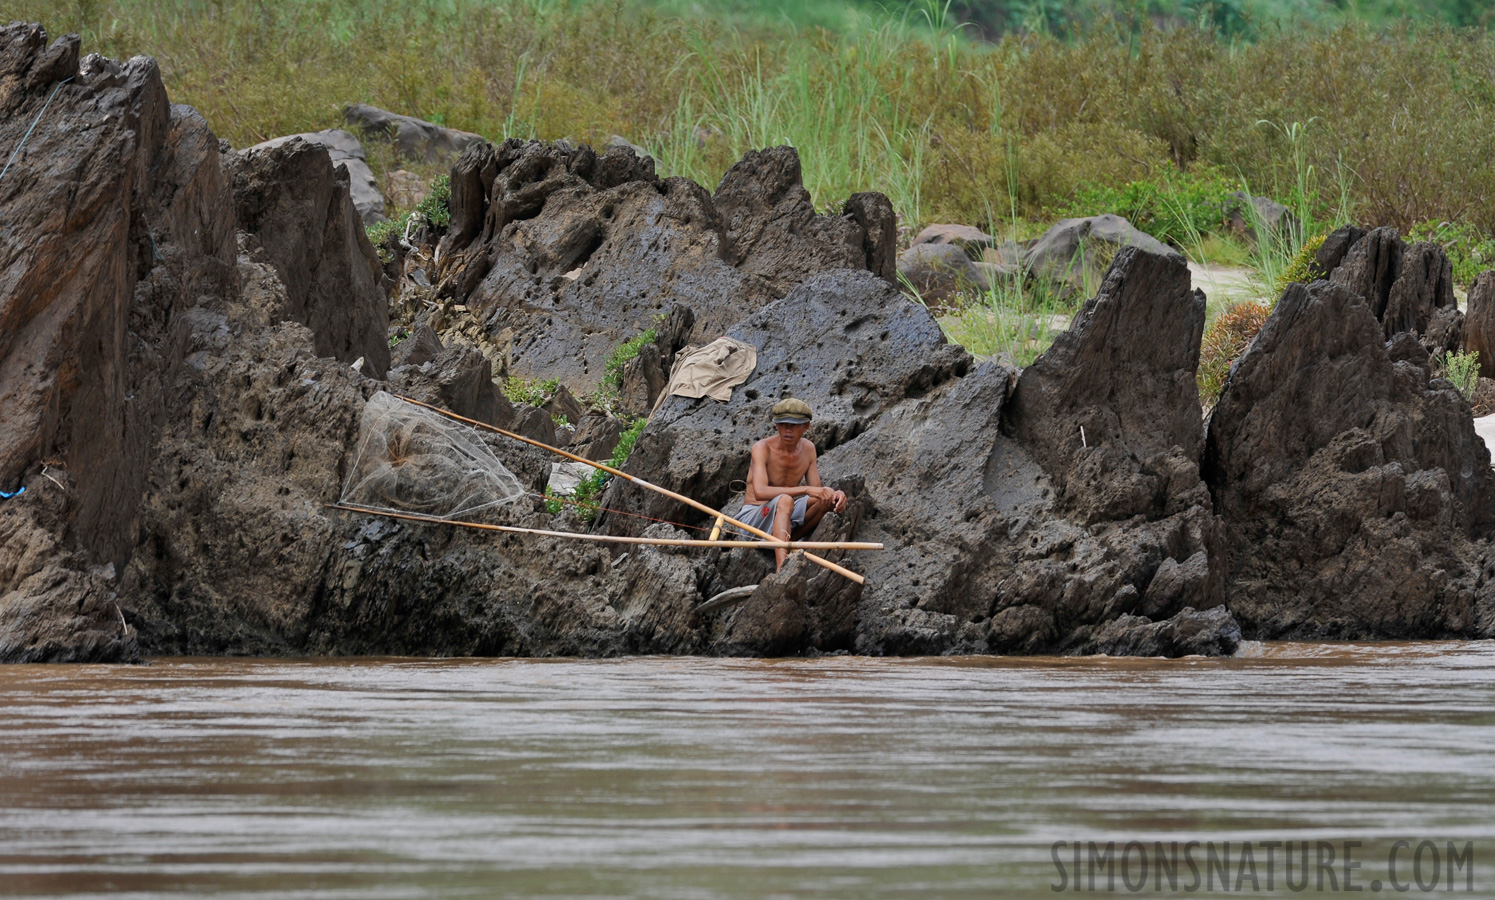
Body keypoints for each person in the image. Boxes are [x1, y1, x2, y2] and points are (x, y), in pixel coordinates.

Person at [733, 398, 847, 570]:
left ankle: (786, 541)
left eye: (794, 425)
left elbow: (817, 491)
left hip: (784, 517)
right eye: (783, 424)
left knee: (827, 497)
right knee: (785, 500)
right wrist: (806, 489)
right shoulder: (762, 448)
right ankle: (782, 568)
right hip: (754, 519)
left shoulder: (808, 449)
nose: (788, 430)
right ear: (776, 425)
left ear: (806, 426)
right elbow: (760, 492)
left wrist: (835, 495)